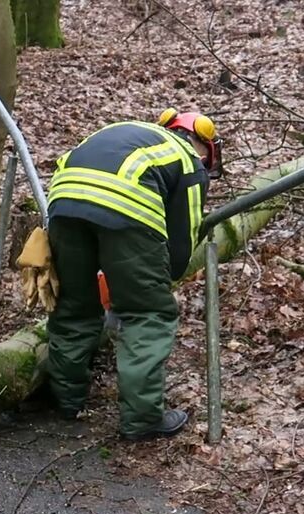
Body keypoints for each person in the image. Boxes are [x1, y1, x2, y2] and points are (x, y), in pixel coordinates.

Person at [41, 109, 223, 441]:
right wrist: (160, 280)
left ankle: (66, 400)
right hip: (126, 208)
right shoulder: (186, 160)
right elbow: (185, 235)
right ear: (203, 144)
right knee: (147, 313)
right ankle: (142, 420)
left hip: (64, 199)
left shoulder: (135, 133)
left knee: (74, 305)